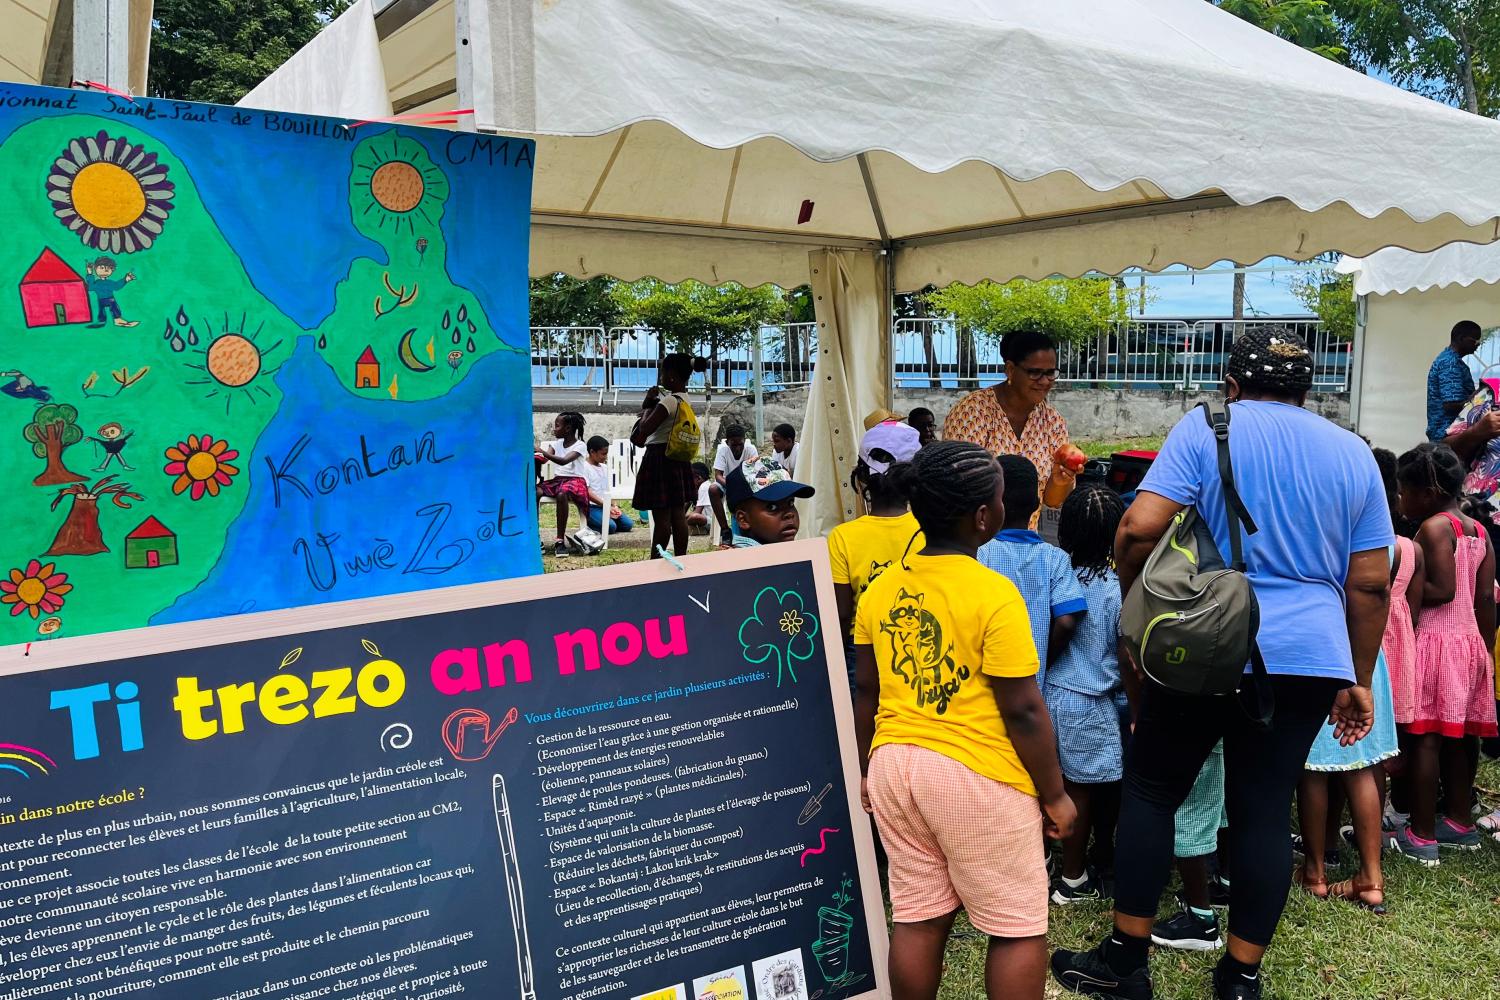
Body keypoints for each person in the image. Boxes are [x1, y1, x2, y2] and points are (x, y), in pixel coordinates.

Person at [1051, 328, 1392, 1000]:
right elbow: (1372, 583)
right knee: (1264, 809)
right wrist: (1356, 676)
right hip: (1310, 655)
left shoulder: (1210, 427)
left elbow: (1138, 530)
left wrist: (1138, 619)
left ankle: (1125, 961)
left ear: (1232, 384)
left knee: (1153, 789)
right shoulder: (1353, 453)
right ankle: (1239, 976)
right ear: (1308, 388)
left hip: (1205, 642)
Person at [853, 441, 1074, 1000]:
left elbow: (866, 691)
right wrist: (1054, 795)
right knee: (1018, 927)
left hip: (894, 769)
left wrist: (864, 768)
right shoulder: (995, 595)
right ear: (984, 517)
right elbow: (1023, 709)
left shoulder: (879, 591)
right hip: (974, 775)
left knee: (918, 917)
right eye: (1001, 499)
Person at [1388, 443, 1498, 865]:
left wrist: (1403, 588)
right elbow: (1484, 596)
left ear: (1428, 491)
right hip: (1470, 641)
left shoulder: (1434, 527)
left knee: (1425, 741)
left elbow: (1445, 589)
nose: (1401, 500)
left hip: (1436, 643)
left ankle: (1421, 832)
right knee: (1461, 738)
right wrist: (1484, 651)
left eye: (1405, 491)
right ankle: (1458, 822)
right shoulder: (1479, 529)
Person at [1045, 484, 1127, 905]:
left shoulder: (1054, 574)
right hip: (1090, 704)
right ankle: (1074, 879)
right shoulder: (1116, 588)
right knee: (1081, 791)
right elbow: (1123, 650)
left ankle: (1053, 862)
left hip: (1047, 695)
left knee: (1051, 783)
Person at [829, 422, 924, 689]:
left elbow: (842, 613)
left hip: (861, 649)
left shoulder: (843, 537)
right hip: (914, 644)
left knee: (863, 721)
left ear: (861, 477)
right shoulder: (929, 530)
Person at [977, 455, 1086, 686]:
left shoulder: (979, 554)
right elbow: (1066, 622)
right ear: (1037, 504)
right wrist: (1043, 660)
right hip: (1032, 682)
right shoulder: (1055, 558)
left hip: (982, 683)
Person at [945, 330, 1076, 519]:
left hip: (1024, 540)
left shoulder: (1052, 421)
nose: (1045, 381)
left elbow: (1052, 501)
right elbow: (958, 488)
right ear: (1010, 370)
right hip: (975, 539)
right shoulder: (973, 412)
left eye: (1050, 373)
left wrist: (1060, 480)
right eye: (1034, 373)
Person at [630, 354, 708, 558]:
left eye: (663, 372)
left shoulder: (669, 401)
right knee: (678, 516)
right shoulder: (685, 399)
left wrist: (647, 405)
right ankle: (681, 556)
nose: (661, 376)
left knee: (662, 519)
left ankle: (655, 560)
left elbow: (644, 430)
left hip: (659, 460)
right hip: (677, 462)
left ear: (672, 375)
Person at [723, 460, 814, 547]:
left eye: (790, 502)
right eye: (772, 507)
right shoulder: (742, 560)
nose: (789, 514)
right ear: (743, 520)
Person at [535, 411, 590, 556]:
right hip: (558, 480)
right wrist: (533, 453)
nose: (554, 429)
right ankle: (534, 537)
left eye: (557, 426)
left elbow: (564, 460)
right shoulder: (556, 443)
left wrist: (542, 451)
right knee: (535, 491)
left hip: (575, 481)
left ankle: (560, 541)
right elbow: (543, 459)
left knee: (562, 493)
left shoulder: (580, 445)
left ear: (568, 428)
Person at [709, 424, 760, 543]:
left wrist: (741, 484)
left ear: (744, 441)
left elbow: (756, 472)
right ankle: (725, 530)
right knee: (713, 490)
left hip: (747, 483)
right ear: (728, 443)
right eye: (734, 444)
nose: (737, 448)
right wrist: (732, 484)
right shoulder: (723, 450)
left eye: (740, 444)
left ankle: (753, 528)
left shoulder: (750, 449)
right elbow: (718, 475)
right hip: (728, 483)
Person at [579, 436, 635, 536]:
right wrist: (606, 506)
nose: (605, 457)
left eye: (606, 453)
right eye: (603, 454)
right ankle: (590, 525)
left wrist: (614, 506)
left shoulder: (604, 467)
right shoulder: (584, 467)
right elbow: (587, 492)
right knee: (611, 527)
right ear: (592, 452)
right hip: (592, 507)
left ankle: (603, 522)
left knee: (628, 524)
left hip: (606, 505)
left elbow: (608, 489)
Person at [83, 257, 138, 328]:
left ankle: (117, 319)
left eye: (108, 269)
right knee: (101, 310)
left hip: (110, 299)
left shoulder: (109, 282)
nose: (105, 270)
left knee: (114, 308)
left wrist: (126, 279)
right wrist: (90, 273)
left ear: (112, 271)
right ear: (95, 268)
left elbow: (117, 286)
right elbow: (90, 287)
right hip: (101, 300)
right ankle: (102, 320)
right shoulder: (97, 283)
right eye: (101, 268)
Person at [687, 462, 713, 534]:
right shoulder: (700, 488)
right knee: (688, 516)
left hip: (711, 522)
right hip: (706, 520)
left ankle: (677, 527)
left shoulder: (704, 487)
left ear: (698, 478)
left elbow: (697, 512)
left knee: (694, 517)